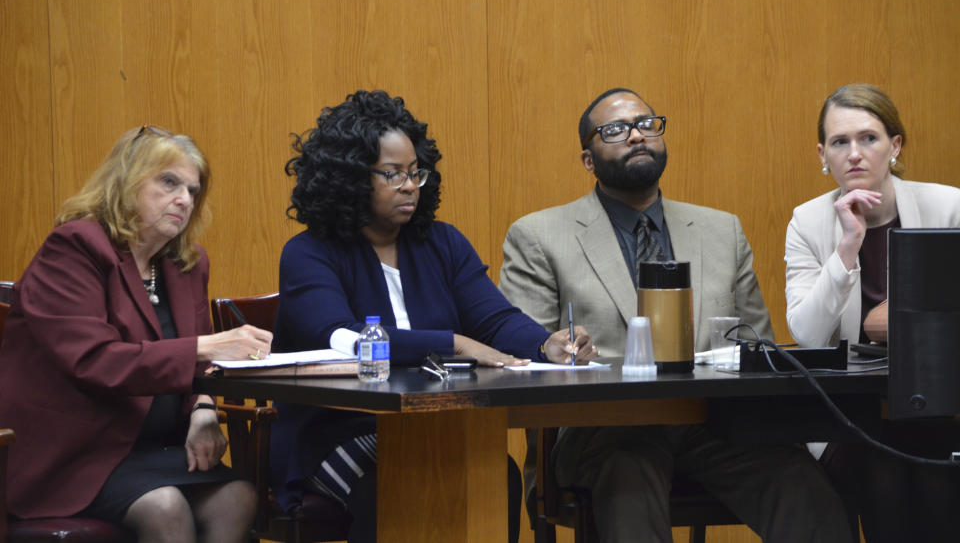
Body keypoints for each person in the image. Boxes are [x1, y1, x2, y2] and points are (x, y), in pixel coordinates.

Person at [499, 87, 851, 543]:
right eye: (616, 130)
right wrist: (562, 352)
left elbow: (757, 347)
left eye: (647, 124)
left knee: (807, 491)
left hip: (714, 425)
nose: (637, 136)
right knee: (628, 484)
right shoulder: (539, 236)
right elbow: (525, 361)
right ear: (588, 160)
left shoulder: (720, 230)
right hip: (605, 433)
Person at [269, 89, 596, 543]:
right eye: (391, 174)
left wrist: (546, 344)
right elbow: (338, 336)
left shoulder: (442, 243)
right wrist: (452, 343)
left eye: (415, 173)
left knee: (494, 471)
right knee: (392, 485)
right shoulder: (308, 253)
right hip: (337, 429)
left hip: (435, 420)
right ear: (347, 178)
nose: (409, 186)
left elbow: (494, 319)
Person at [0, 126, 273, 542]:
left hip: (153, 450)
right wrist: (207, 346)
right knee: (165, 508)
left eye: (192, 190)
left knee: (238, 496)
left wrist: (202, 410)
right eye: (168, 182)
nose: (183, 199)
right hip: (75, 456)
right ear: (126, 182)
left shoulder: (187, 263)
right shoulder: (74, 249)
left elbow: (203, 368)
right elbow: (95, 360)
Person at [785, 83, 960, 541]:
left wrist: (897, 322)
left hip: (938, 406)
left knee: (939, 475)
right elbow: (807, 334)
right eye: (840, 143)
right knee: (883, 471)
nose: (855, 154)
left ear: (895, 145)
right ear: (822, 154)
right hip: (850, 415)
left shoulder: (948, 207)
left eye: (869, 138)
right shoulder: (807, 222)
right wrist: (847, 248)